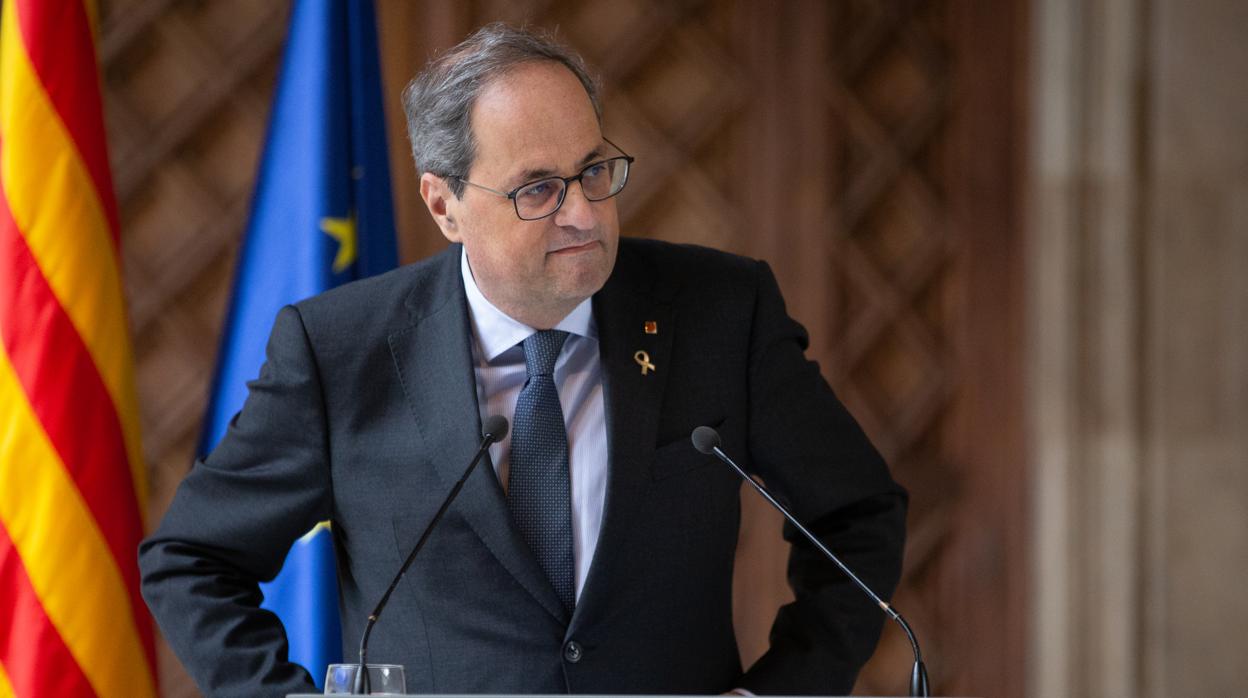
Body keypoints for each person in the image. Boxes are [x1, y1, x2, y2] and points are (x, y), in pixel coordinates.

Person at [139, 23, 907, 697]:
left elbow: (857, 517)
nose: (583, 213)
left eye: (594, 172)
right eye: (538, 189)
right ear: (445, 206)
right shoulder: (340, 350)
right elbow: (190, 560)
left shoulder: (718, 313)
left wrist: (779, 694)